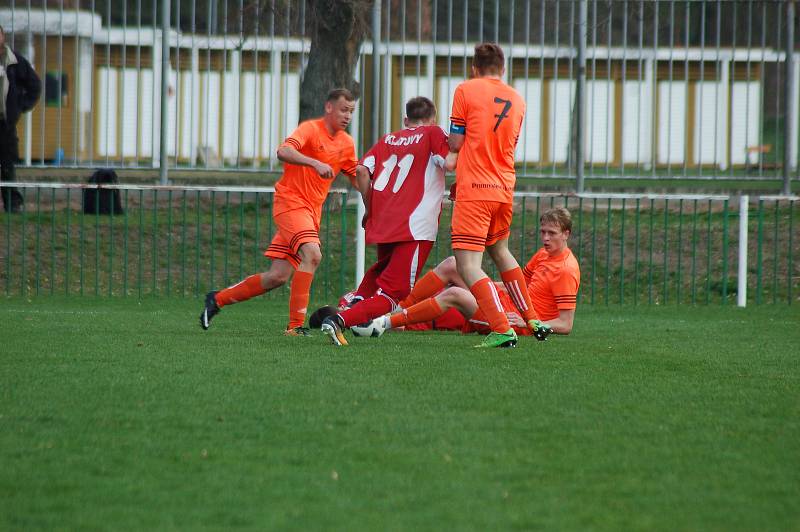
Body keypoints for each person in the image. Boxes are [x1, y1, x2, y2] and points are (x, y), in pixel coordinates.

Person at [199, 88, 358, 336]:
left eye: (351, 111)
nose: (347, 116)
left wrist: (379, 198)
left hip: (310, 213)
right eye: (343, 109)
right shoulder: (310, 129)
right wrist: (314, 162)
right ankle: (294, 327)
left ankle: (217, 299)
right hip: (290, 204)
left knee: (277, 277)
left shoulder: (346, 143)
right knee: (313, 255)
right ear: (329, 107)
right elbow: (283, 151)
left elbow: (357, 178)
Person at [319, 96, 452, 346]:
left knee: (382, 269)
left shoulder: (388, 139)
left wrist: (370, 209)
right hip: (415, 225)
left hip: (385, 220)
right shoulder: (434, 133)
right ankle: (341, 321)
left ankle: (355, 303)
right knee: (395, 293)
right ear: (432, 119)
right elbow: (450, 162)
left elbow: (361, 171)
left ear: (405, 120)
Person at [447, 42, 541, 349]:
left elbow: (456, 141)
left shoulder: (466, 89)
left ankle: (501, 328)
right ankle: (532, 318)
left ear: (475, 68)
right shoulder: (518, 99)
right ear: (503, 68)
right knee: (501, 250)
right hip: (504, 187)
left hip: (475, 188)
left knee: (467, 265)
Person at [381, 207, 580, 339]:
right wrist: (487, 287)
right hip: (505, 303)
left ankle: (389, 322)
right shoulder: (543, 254)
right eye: (543, 231)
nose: (545, 238)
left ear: (566, 234)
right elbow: (518, 287)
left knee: (454, 294)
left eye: (551, 233)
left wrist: (527, 323)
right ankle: (399, 308)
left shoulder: (566, 269)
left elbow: (566, 324)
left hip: (511, 320)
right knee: (453, 263)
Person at [0, 25, 41, 213]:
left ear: (3, 37)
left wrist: (20, 106)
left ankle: (13, 204)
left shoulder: (15, 61)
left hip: (5, 123)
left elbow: (35, 85)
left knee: (7, 164)